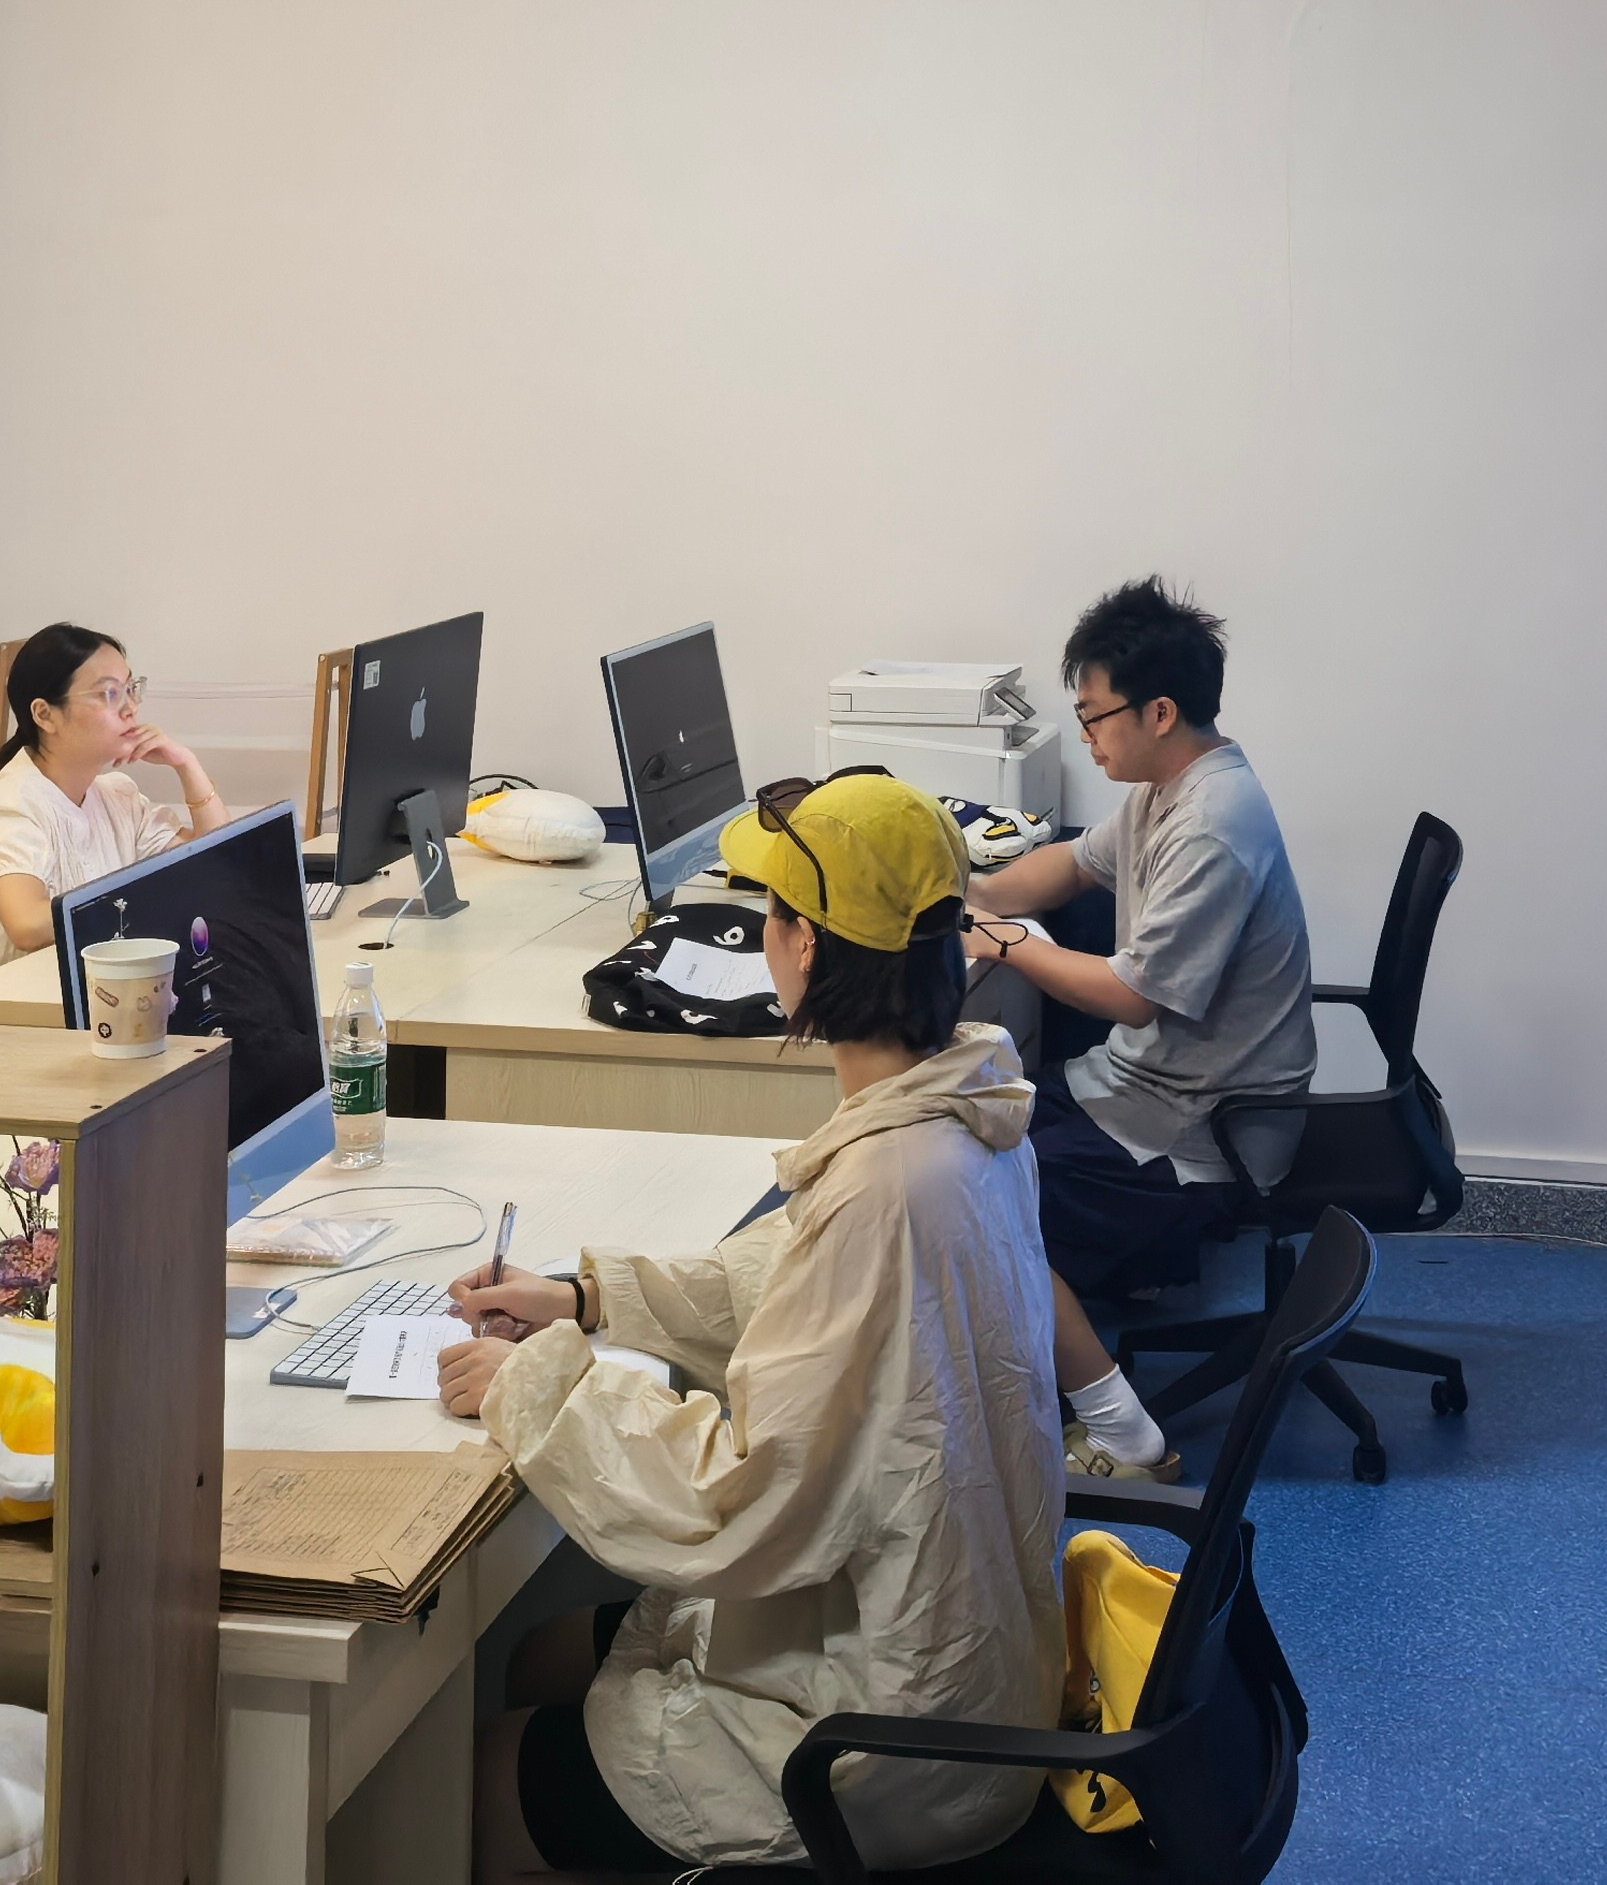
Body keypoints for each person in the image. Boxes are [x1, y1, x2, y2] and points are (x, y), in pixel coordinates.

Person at [439, 772, 1061, 1879]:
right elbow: (785, 1279)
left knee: (474, 1784)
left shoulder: (885, 1185)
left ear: (804, 945)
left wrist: (532, 1384)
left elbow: (739, 1497)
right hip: (947, 1649)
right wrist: (583, 1299)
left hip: (876, 1737)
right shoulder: (955, 1113)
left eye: (769, 913)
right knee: (537, 1654)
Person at [960, 578, 1313, 1480]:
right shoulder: (1168, 787)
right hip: (1140, 1090)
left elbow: (1132, 997)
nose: (1086, 737)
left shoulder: (1212, 826)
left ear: (1159, 712)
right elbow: (1073, 867)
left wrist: (1000, 941)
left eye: (1094, 718)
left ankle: (1123, 1435)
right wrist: (970, 892)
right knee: (969, 1127)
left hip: (1202, 1132)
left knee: (979, 1199)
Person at [0, 624, 229, 1001]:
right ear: (45, 715)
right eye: (109, 693)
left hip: (78, 1003)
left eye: (130, 688)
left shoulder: (116, 795)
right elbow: (27, 924)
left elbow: (213, 863)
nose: (131, 708)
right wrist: (143, 896)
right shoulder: (11, 808)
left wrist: (187, 765)